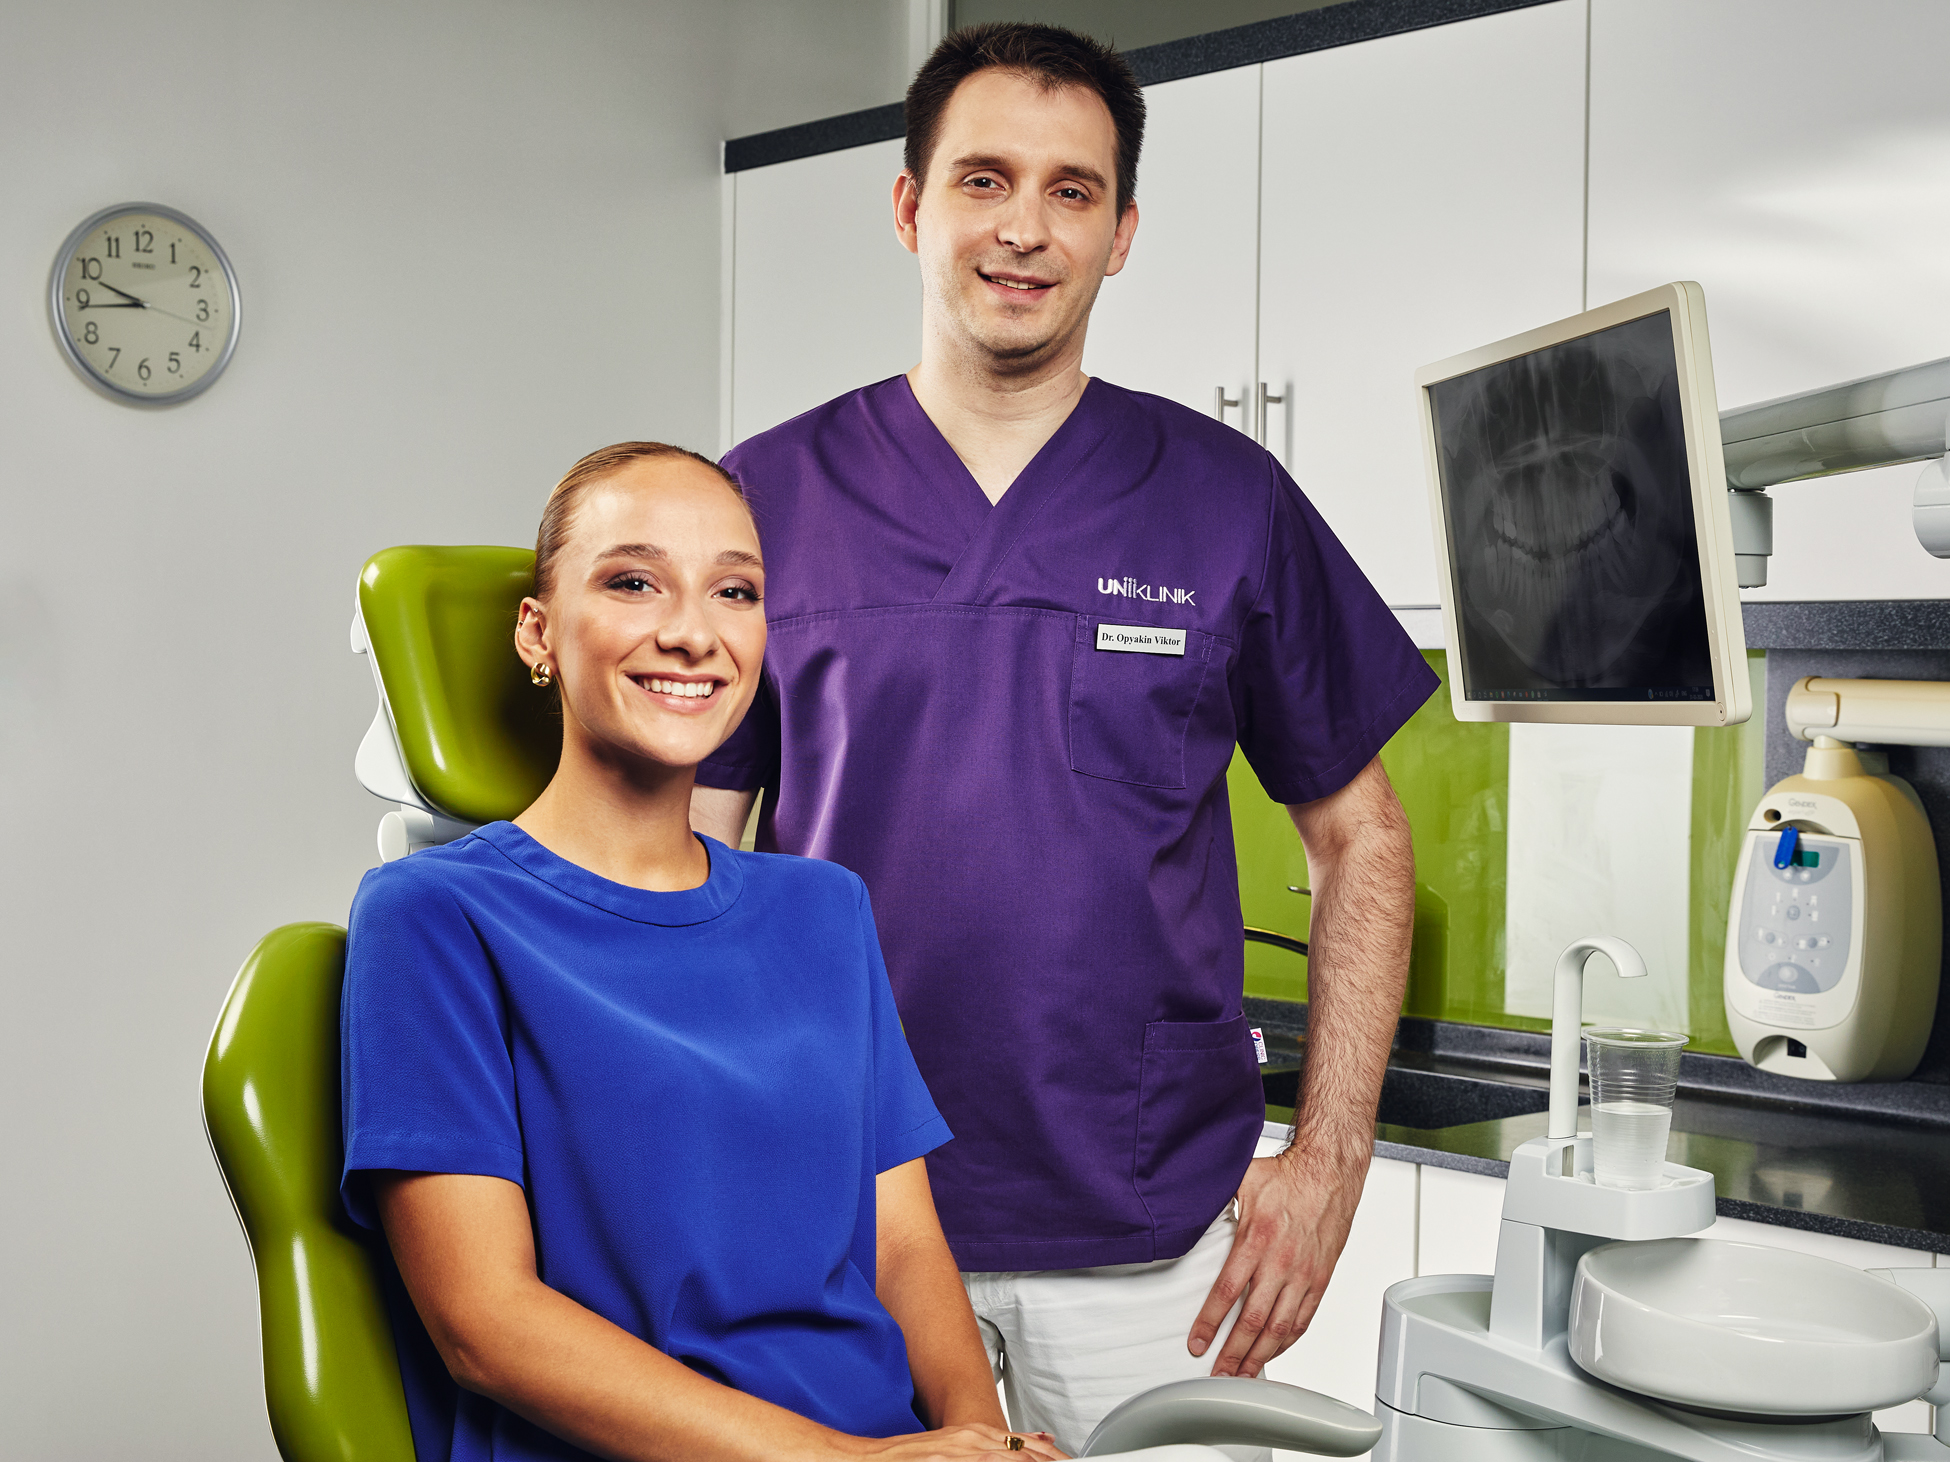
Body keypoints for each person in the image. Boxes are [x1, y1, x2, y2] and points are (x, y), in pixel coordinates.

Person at [690, 22, 1439, 1455]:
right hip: (840, 1217)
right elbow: (689, 858)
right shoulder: (762, 498)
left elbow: (1364, 835)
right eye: (982, 180)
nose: (1023, 229)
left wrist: (1331, 1154)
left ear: (1121, 233)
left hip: (1151, 1244)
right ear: (909, 208)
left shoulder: (1226, 499)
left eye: (1071, 191)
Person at [339, 442, 1064, 1462]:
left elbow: (902, 1243)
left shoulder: (823, 910)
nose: (692, 633)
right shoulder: (435, 917)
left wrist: (981, 1440)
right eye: (633, 583)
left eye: (734, 591)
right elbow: (484, 1324)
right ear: (538, 632)